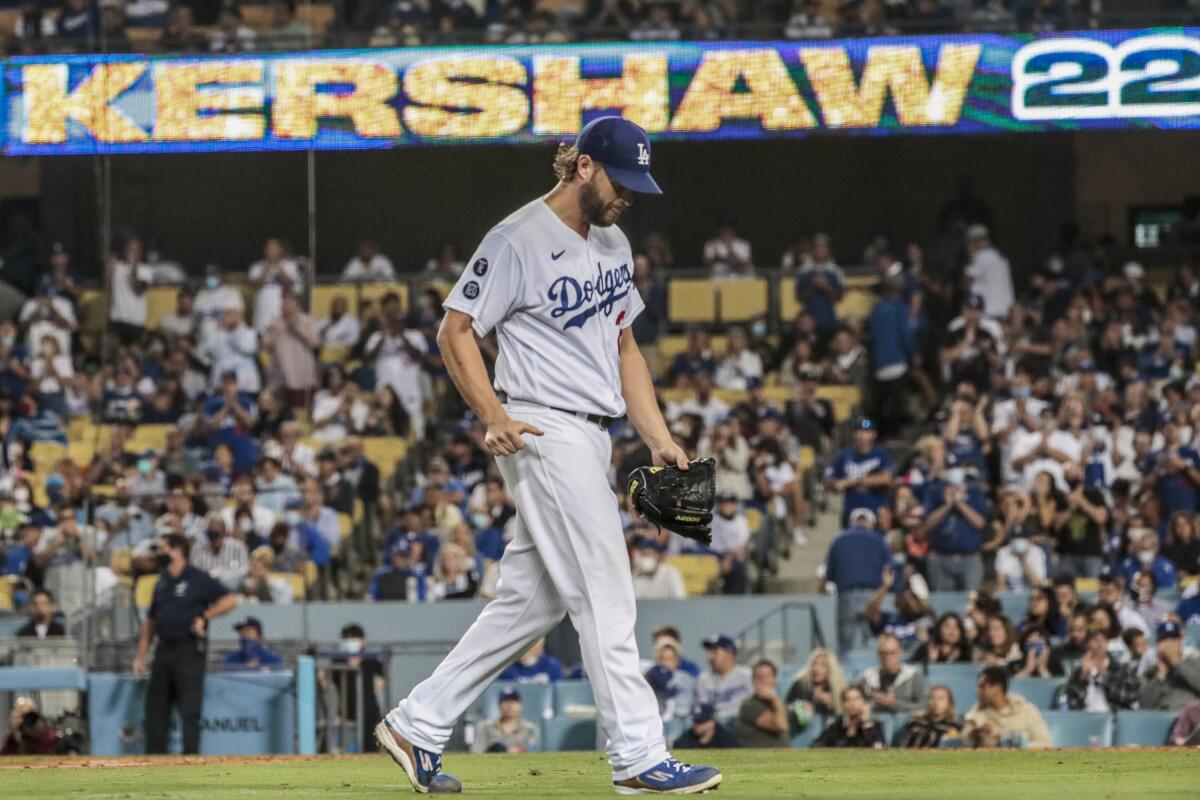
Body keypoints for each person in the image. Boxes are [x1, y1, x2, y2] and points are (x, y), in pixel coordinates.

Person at [375, 116, 720, 795]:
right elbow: (455, 330)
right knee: (606, 594)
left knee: (529, 606)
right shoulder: (516, 238)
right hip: (542, 429)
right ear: (585, 167)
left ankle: (419, 723)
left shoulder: (615, 243)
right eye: (621, 182)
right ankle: (639, 757)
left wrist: (656, 435)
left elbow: (625, 351)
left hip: (593, 433)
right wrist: (493, 415)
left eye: (636, 186)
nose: (628, 197)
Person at [133, 533, 238, 754]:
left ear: (176, 550)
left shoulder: (197, 578)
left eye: (163, 548)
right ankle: (154, 761)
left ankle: (190, 760)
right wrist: (141, 656)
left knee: (189, 709)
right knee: (156, 709)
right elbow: (150, 622)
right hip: (163, 651)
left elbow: (229, 600)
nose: (159, 554)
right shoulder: (161, 582)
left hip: (188, 650)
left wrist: (205, 617)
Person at [822, 507, 892, 653]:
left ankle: (846, 673)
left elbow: (829, 576)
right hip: (873, 597)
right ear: (871, 523)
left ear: (851, 523)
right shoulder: (880, 541)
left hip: (846, 597)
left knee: (845, 646)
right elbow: (888, 574)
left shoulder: (838, 541)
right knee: (873, 643)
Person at [824, 417, 894, 527]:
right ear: (853, 434)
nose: (861, 435)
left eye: (866, 432)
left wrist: (852, 481)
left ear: (873, 435)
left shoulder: (881, 455)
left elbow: (886, 478)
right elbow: (831, 482)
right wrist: (835, 484)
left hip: (876, 508)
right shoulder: (844, 456)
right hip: (851, 508)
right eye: (858, 431)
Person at [961, 666, 1051, 749]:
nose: (978, 691)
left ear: (997, 687)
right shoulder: (976, 712)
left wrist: (1012, 743)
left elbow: (1044, 743)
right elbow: (965, 743)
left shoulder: (1027, 710)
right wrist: (975, 734)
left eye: (982, 686)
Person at [1063, 629, 1141, 711]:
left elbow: (1129, 697)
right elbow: (1071, 702)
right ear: (1087, 644)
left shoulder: (1121, 669)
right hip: (1084, 717)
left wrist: (1104, 677)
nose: (1099, 644)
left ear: (1107, 643)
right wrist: (1082, 679)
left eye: (1103, 640)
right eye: (1095, 640)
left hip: (1112, 718)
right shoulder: (1079, 671)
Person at [858, 633, 927, 713]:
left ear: (901, 652)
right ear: (878, 654)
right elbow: (856, 704)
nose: (888, 657)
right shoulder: (867, 677)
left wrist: (894, 703)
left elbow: (924, 705)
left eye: (892, 652)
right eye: (883, 653)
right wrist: (876, 704)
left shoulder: (913, 676)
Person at [1140, 620, 1200, 711]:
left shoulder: (1194, 661)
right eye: (1164, 639)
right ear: (1158, 644)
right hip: (1162, 719)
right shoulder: (1151, 672)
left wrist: (1176, 663)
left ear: (1180, 641)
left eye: (1173, 639)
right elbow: (1145, 705)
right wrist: (1161, 674)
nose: (1169, 644)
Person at [696, 634, 753, 721]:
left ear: (729, 653)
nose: (710, 657)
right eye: (709, 652)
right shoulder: (703, 679)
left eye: (715, 652)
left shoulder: (747, 675)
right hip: (716, 727)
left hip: (742, 724)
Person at [785, 648, 845, 730]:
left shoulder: (836, 690)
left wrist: (833, 704)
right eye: (814, 664)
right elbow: (787, 707)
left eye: (823, 665)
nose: (816, 669)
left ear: (831, 669)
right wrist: (802, 707)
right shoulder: (800, 686)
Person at [733, 660, 788, 747]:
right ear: (753, 682)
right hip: (763, 756)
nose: (764, 681)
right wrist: (775, 699)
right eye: (759, 677)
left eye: (768, 676)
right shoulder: (748, 705)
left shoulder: (779, 704)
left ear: (775, 680)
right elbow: (781, 726)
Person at [963, 225, 1013, 319]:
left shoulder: (981, 256)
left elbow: (965, 282)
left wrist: (970, 257)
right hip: (1004, 313)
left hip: (989, 314)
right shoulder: (1000, 257)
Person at [811, 686, 885, 749]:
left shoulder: (874, 725)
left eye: (856, 699)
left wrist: (866, 722)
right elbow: (817, 745)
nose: (852, 703)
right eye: (847, 700)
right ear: (843, 704)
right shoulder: (836, 724)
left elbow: (879, 747)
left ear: (864, 701)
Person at [470, 687, 539, 753]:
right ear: (499, 705)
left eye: (514, 701)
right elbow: (476, 752)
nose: (510, 705)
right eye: (506, 701)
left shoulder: (530, 728)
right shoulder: (485, 726)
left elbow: (535, 753)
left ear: (521, 705)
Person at [896, 685, 962, 748]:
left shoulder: (954, 727)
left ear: (949, 703)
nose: (936, 702)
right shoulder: (914, 723)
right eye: (932, 698)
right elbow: (901, 744)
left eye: (941, 698)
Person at [672, 702, 740, 749]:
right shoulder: (684, 741)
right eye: (695, 721)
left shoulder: (727, 738)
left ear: (712, 722)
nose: (696, 725)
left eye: (701, 722)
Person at [497, 638, 563, 684]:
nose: (523, 653)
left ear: (540, 648)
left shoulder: (552, 666)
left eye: (528, 648)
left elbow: (560, 692)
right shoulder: (507, 668)